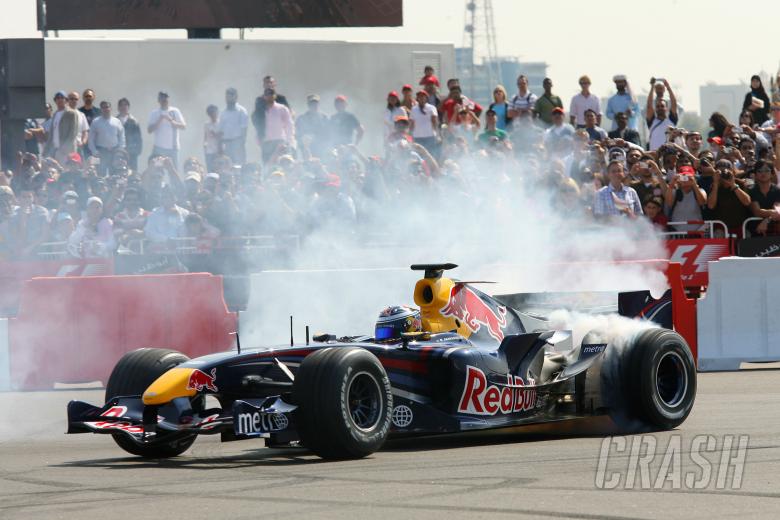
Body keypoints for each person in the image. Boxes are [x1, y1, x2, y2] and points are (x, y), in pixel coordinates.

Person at [706, 159, 752, 236]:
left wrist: (733, 185)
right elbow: (711, 206)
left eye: (726, 170)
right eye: (721, 171)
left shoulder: (740, 183)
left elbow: (747, 202)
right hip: (721, 228)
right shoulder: (714, 186)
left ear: (732, 171)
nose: (724, 174)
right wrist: (716, 184)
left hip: (740, 227)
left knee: (747, 235)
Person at [665, 165, 707, 232]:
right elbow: (669, 203)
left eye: (688, 177)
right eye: (683, 177)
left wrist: (694, 184)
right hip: (677, 232)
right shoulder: (674, 192)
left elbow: (702, 202)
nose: (685, 180)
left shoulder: (700, 191)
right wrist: (672, 183)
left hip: (697, 232)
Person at [88, 101, 126, 176]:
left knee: (114, 174)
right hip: (100, 152)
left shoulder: (117, 121)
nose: (106, 109)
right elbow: (91, 139)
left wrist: (120, 150)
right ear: (101, 109)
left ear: (111, 108)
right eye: (103, 107)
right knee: (100, 174)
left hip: (114, 152)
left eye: (107, 107)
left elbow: (122, 136)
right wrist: (94, 151)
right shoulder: (96, 122)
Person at [148, 91, 186, 165]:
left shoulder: (175, 111)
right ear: (158, 100)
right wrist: (160, 120)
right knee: (156, 169)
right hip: (158, 148)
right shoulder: (154, 113)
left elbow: (183, 126)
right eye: (162, 98)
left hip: (173, 148)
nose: (164, 100)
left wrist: (171, 120)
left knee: (174, 170)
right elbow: (149, 130)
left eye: (166, 98)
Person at [259, 88, 294, 163]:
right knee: (266, 164)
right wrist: (259, 141)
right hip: (266, 142)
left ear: (275, 96)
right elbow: (258, 126)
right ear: (264, 97)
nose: (269, 96)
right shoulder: (260, 110)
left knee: (280, 163)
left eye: (271, 94)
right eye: (267, 95)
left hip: (279, 141)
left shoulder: (282, 108)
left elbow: (289, 125)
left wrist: (289, 141)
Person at [251, 75, 290, 141]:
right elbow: (255, 117)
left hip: (280, 136)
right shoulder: (259, 100)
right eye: (267, 82)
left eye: (271, 82)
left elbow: (290, 115)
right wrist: (259, 131)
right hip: (265, 137)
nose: (269, 84)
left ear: (274, 84)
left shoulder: (281, 98)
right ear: (263, 85)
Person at [218, 87, 249, 166]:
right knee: (227, 165)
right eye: (227, 97)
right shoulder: (223, 112)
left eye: (231, 96)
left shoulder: (242, 111)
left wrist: (241, 144)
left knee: (239, 165)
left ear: (236, 97)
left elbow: (244, 129)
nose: (228, 99)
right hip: (226, 143)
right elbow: (220, 131)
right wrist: (220, 145)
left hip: (237, 142)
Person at [645, 78, 678, 151]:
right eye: (658, 106)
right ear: (655, 109)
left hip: (669, 154)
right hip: (655, 154)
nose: (660, 108)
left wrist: (668, 87)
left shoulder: (671, 120)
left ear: (666, 108)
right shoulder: (652, 121)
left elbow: (674, 103)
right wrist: (652, 86)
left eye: (662, 106)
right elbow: (649, 105)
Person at [749, 160, 780, 235]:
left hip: (773, 231)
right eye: (759, 171)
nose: (763, 173)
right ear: (755, 174)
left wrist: (766, 221)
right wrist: (772, 212)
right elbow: (757, 212)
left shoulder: (777, 190)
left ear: (772, 174)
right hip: (753, 231)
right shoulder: (751, 190)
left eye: (767, 170)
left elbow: (777, 212)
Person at [295, 94, 330, 158]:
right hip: (306, 150)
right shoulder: (302, 118)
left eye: (316, 103)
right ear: (308, 104)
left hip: (321, 148)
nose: (314, 105)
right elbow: (297, 134)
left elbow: (329, 134)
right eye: (312, 103)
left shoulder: (324, 118)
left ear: (319, 104)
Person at [117, 98, 142, 173]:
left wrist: (137, 151)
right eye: (121, 105)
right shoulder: (115, 120)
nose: (123, 107)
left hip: (131, 152)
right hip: (118, 152)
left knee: (132, 172)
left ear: (128, 107)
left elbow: (139, 139)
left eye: (125, 105)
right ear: (118, 108)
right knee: (118, 172)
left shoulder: (134, 121)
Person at [410, 90, 439, 154]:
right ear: (417, 98)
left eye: (423, 96)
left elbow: (435, 122)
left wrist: (437, 134)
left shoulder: (432, 108)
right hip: (417, 137)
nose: (421, 98)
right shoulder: (414, 109)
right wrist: (410, 135)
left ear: (426, 98)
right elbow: (412, 123)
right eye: (419, 97)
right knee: (418, 154)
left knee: (430, 154)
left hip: (429, 136)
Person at [203, 104, 220, 172]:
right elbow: (205, 137)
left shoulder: (221, 123)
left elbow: (223, 137)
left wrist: (215, 135)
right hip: (209, 151)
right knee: (210, 170)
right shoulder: (206, 124)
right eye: (211, 113)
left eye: (214, 113)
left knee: (219, 170)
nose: (213, 115)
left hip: (219, 151)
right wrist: (204, 145)